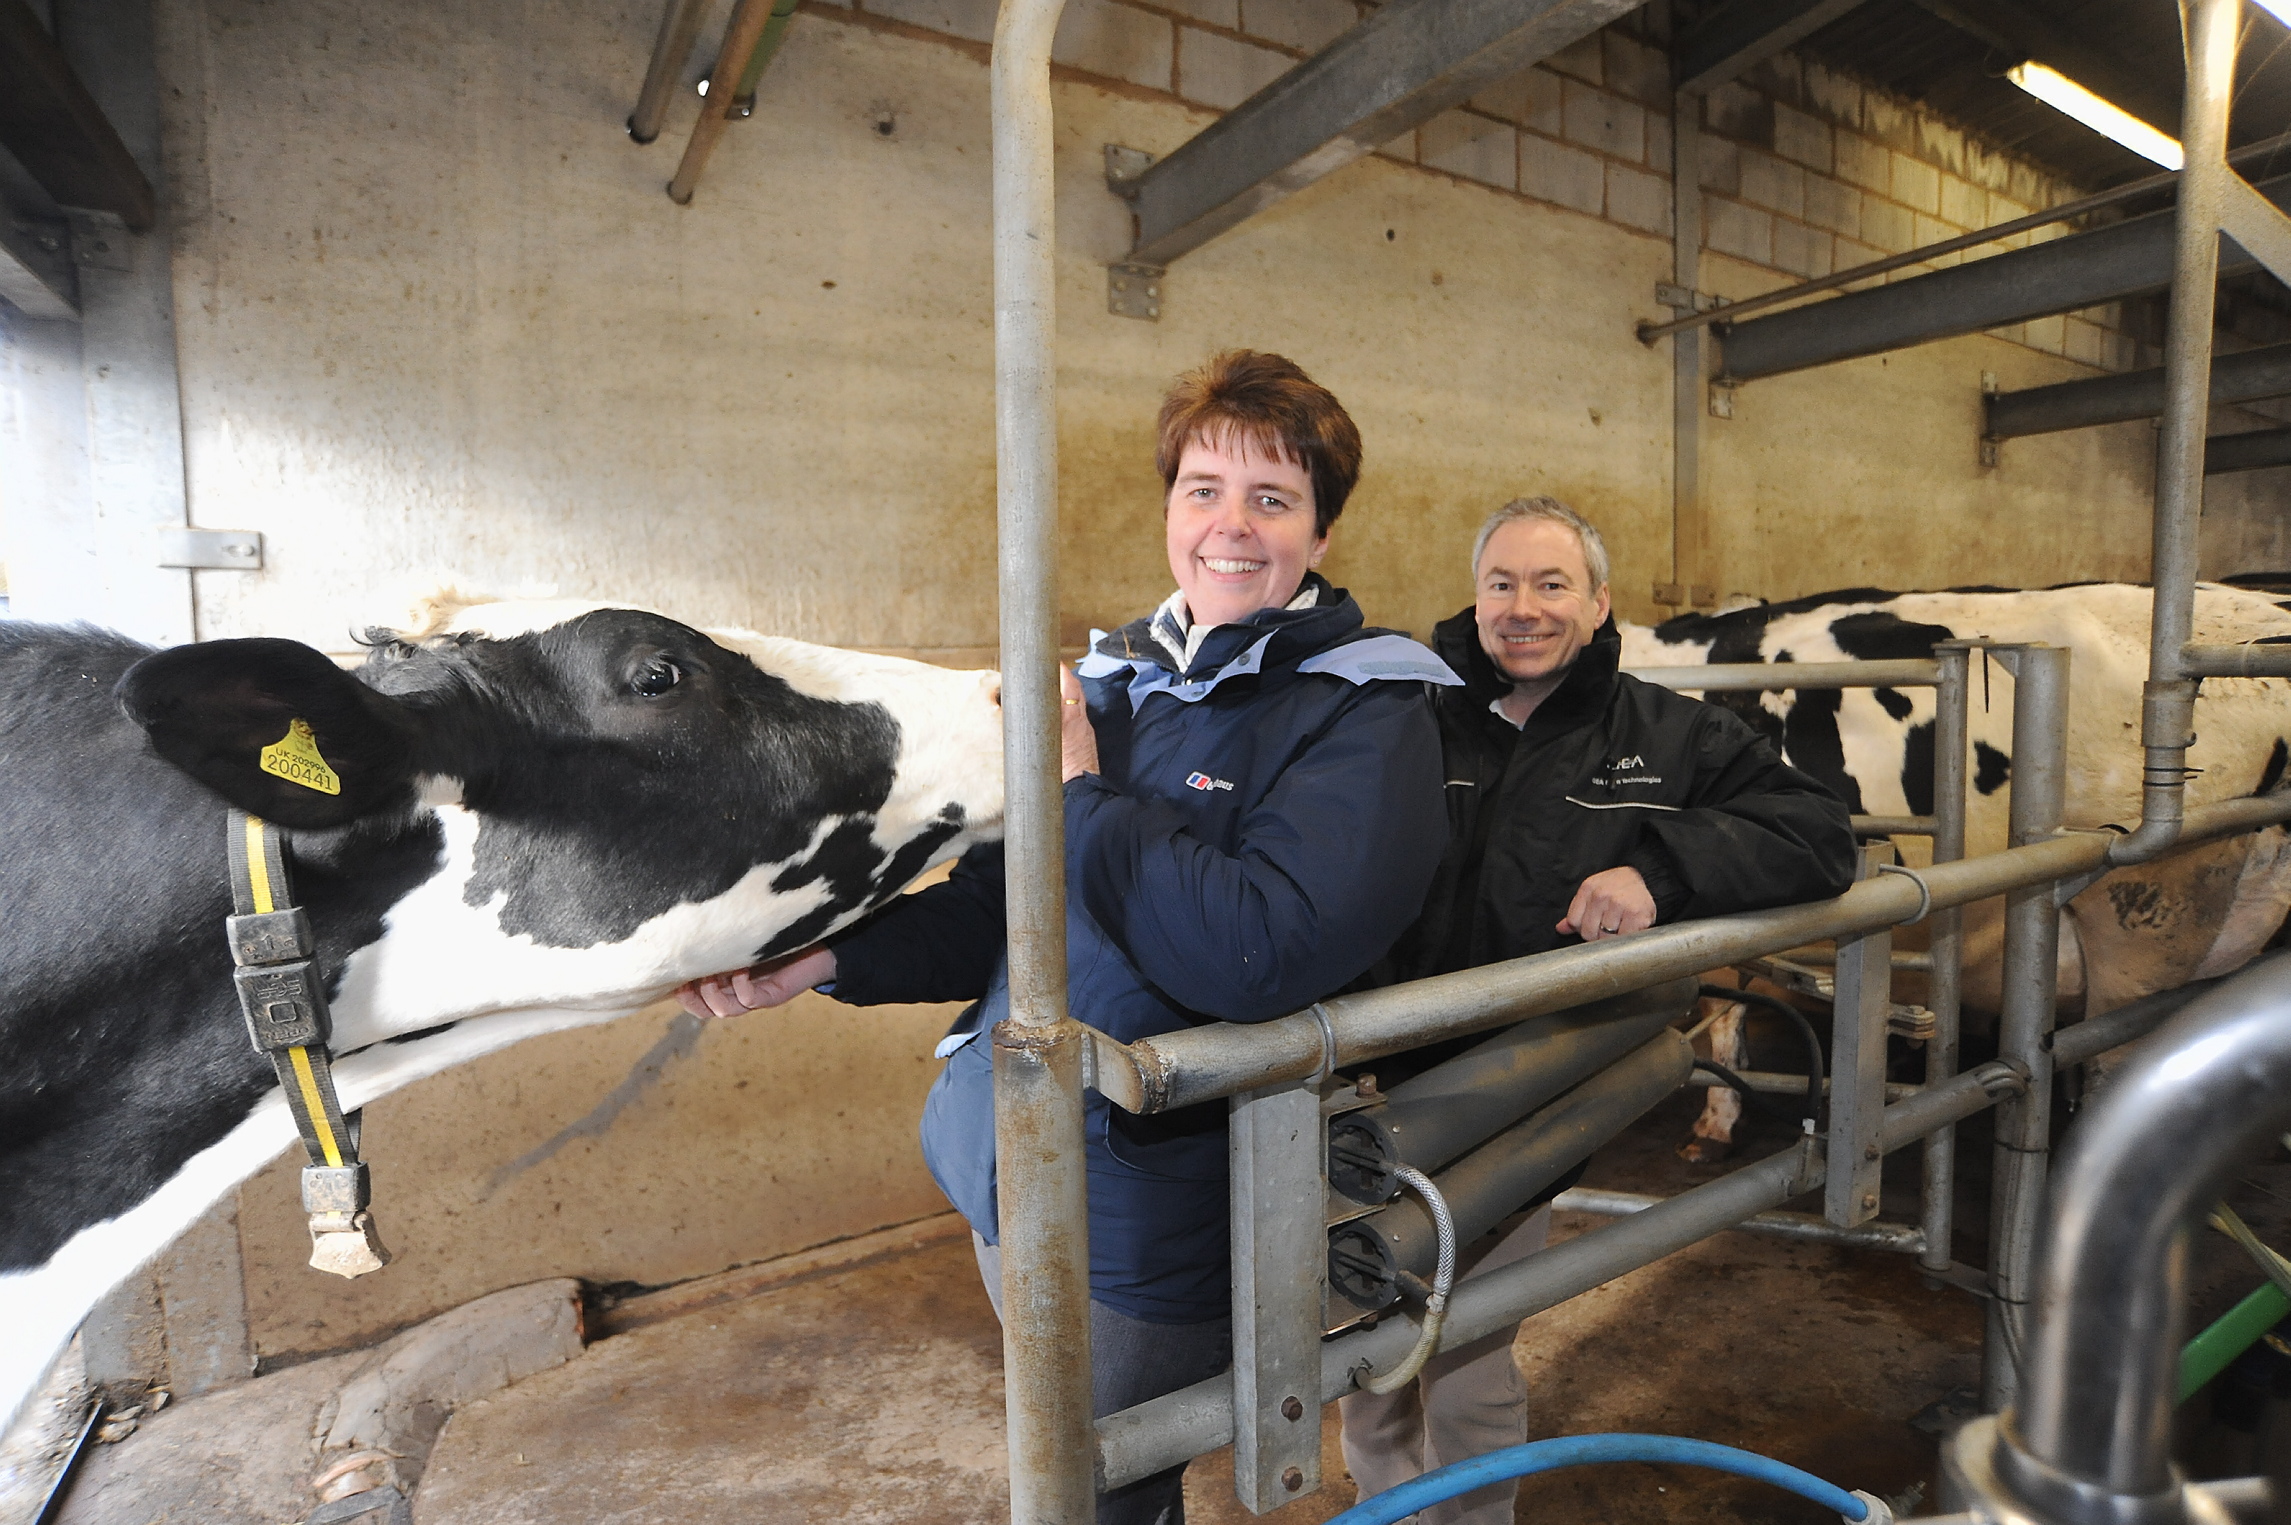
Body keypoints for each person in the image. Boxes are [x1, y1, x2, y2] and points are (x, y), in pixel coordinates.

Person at [679, 350, 1458, 1525]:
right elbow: (998, 905)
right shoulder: (1119, 683)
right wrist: (827, 959)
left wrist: (1081, 790)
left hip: (1158, 1204)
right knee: (1074, 1461)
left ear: (1321, 532)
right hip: (1007, 1160)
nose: (1228, 526)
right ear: (1165, 510)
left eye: (1271, 497)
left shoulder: (1364, 709)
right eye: (1202, 489)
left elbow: (1260, 952)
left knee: (1101, 1485)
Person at [1345, 495, 1858, 1525]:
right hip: (1366, 1082)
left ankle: (1474, 1518)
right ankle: (1387, 1510)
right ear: (1473, 597)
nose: (1521, 609)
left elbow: (1814, 833)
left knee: (1470, 1348)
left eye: (1549, 584)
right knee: (1362, 1337)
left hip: (1518, 1097)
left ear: (1598, 601)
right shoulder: (1411, 713)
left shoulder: (1666, 733)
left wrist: (1659, 871)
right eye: (1500, 584)